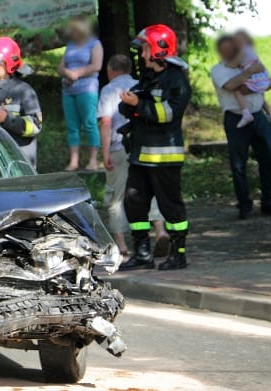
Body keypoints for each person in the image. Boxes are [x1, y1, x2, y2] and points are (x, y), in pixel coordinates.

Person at [118, 25, 191, 271]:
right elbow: (131, 108)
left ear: (160, 49)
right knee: (133, 202)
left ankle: (178, 254)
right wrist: (131, 104)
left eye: (146, 48)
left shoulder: (176, 81)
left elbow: (167, 113)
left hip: (164, 156)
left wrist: (138, 102)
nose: (142, 54)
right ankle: (142, 254)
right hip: (140, 155)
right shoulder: (148, 78)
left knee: (170, 206)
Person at [98, 54, 169, 261]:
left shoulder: (109, 90)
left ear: (110, 70)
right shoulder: (141, 85)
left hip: (118, 147)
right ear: (129, 69)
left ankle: (121, 245)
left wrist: (104, 152)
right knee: (149, 191)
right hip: (142, 147)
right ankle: (160, 231)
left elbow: (105, 122)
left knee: (116, 196)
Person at [211, 35, 271, 220]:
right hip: (235, 119)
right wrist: (250, 75)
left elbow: (270, 83)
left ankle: (270, 202)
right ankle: (245, 205)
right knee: (238, 164)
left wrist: (249, 83)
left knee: (270, 159)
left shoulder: (248, 63)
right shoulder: (218, 70)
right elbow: (230, 85)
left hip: (258, 115)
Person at [0, 37, 42, 167]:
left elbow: (36, 126)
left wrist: (7, 118)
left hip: (19, 166)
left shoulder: (24, 91)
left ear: (10, 63)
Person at [58, 15, 103, 171]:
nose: (73, 33)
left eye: (75, 30)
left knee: (90, 124)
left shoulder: (94, 44)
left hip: (87, 89)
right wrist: (66, 73)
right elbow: (60, 67)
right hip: (68, 90)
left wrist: (75, 73)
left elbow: (96, 65)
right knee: (72, 126)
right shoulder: (70, 45)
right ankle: (74, 161)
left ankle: (93, 161)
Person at [230, 30, 271, 128]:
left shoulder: (242, 51)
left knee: (238, 91)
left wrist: (228, 63)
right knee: (261, 97)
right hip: (263, 79)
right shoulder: (251, 50)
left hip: (255, 80)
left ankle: (246, 113)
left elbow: (234, 64)